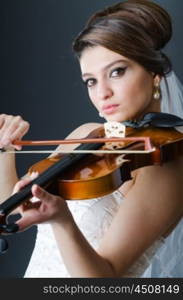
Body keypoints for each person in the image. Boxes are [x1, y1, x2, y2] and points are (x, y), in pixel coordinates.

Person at [0, 0, 183, 278]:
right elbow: (14, 205)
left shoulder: (164, 166)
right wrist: (5, 147)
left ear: (155, 75)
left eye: (117, 71)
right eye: (91, 80)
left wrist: (62, 221)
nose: (102, 93)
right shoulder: (86, 134)